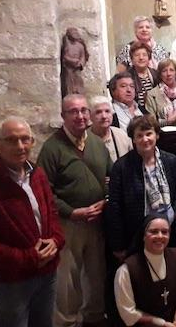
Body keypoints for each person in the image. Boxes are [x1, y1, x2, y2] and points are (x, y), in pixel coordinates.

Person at [37, 94, 113, 327]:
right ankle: (67, 322)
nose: (80, 116)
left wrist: (106, 200)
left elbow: (111, 178)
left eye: (83, 110)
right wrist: (71, 212)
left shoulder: (97, 144)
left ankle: (94, 318)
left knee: (96, 274)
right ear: (63, 116)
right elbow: (45, 192)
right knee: (67, 279)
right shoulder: (52, 149)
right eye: (73, 111)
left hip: (97, 222)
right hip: (68, 224)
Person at [0, 117, 65, 327]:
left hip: (47, 272)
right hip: (14, 279)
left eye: (25, 139)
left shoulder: (37, 174)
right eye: (12, 140)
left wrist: (56, 240)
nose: (20, 146)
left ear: (32, 142)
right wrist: (26, 257)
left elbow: (51, 212)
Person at [107, 114, 176, 259]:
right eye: (139, 135)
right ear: (133, 139)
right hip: (137, 235)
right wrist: (118, 245)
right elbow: (115, 207)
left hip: (169, 230)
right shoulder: (121, 166)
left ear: (157, 135)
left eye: (149, 133)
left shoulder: (170, 160)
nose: (145, 139)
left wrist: (174, 212)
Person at [114, 215, 176, 327]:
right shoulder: (127, 270)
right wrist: (162, 324)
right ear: (143, 236)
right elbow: (128, 312)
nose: (160, 236)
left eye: (165, 232)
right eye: (154, 231)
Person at [145, 59, 176, 126]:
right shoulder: (152, 95)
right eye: (164, 71)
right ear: (160, 74)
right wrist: (168, 121)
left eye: (171, 70)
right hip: (163, 135)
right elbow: (151, 123)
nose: (168, 74)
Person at [89, 96, 133, 163]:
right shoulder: (85, 138)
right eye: (98, 112)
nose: (104, 116)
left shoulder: (121, 135)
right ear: (90, 116)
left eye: (107, 111)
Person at [128, 41, 159, 108]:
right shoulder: (127, 77)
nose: (141, 58)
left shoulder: (156, 74)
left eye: (144, 55)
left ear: (149, 58)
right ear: (132, 59)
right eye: (137, 55)